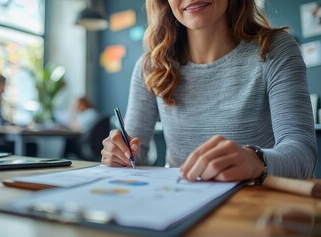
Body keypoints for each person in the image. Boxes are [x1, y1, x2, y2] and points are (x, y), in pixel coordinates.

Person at [101, 0, 317, 183]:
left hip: (255, 210)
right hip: (177, 203)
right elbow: (136, 154)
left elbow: (302, 153)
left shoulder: (275, 49)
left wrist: (255, 160)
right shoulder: (151, 66)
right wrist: (120, 154)